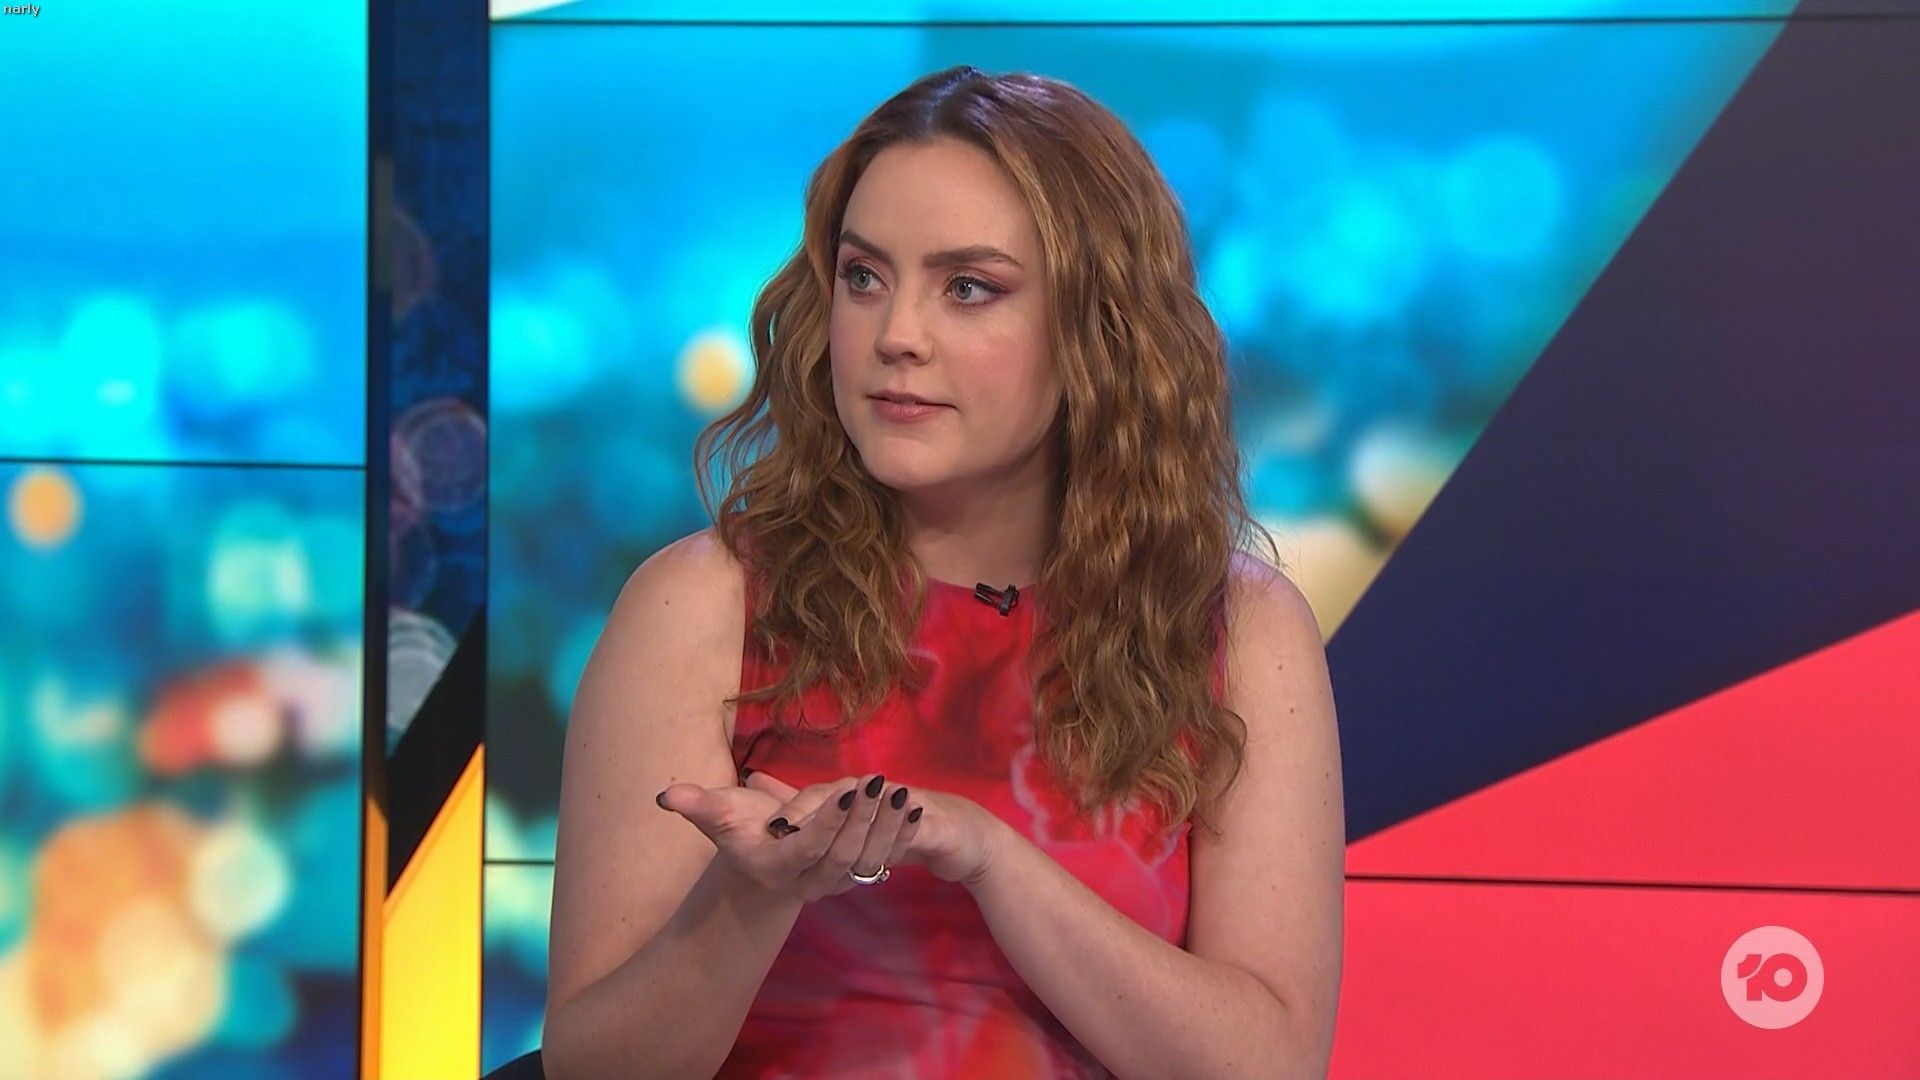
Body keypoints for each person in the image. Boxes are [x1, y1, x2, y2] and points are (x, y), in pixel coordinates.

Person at [541, 66, 1345, 1080]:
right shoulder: (702, 605)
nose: (896, 337)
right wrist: (752, 897)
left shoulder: (1238, 630)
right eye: (863, 277)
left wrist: (991, 860)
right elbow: (589, 1066)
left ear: (1100, 330)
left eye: (968, 288)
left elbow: (1269, 1065)